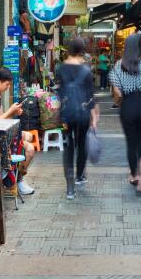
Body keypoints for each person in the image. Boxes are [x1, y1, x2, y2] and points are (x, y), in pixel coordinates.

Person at [110, 34, 141, 196]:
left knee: (131, 144)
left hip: (127, 108)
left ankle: (133, 175)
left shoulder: (119, 65)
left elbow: (116, 92)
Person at [58, 37, 99, 200]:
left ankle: (70, 189)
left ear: (68, 49)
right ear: (82, 50)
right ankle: (80, 176)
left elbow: (59, 92)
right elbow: (90, 97)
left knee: (68, 146)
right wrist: (94, 117)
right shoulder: (86, 71)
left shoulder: (61, 69)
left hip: (66, 115)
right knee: (81, 144)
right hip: (82, 114)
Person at [0, 67, 36, 195]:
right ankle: (17, 179)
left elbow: (2, 120)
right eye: (7, 85)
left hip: (2, 132)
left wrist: (13, 113)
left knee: (28, 136)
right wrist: (10, 111)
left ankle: (17, 175)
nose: (8, 88)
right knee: (29, 149)